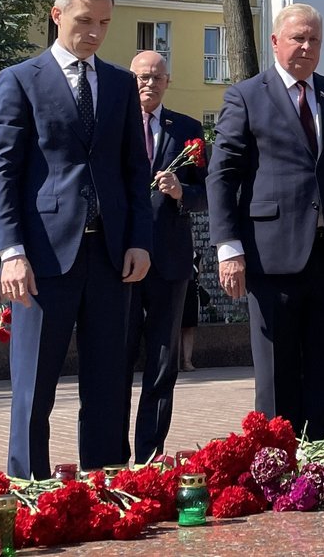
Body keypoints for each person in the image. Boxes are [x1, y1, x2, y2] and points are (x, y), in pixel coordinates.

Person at [0, 0, 154, 478]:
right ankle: (28, 487)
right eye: (85, 21)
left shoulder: (121, 84)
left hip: (109, 256)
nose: (96, 33)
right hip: (41, 258)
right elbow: (1, 171)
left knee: (107, 381)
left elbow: (134, 170)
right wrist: (10, 251)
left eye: (104, 23)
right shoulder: (20, 79)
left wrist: (140, 241)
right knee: (34, 384)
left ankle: (105, 485)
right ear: (57, 16)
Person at [208, 3, 324, 439]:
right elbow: (223, 174)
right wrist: (228, 247)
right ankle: (276, 463)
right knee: (276, 371)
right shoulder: (246, 96)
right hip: (271, 257)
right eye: (297, 38)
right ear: (275, 42)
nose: (306, 46)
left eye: (314, 39)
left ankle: (321, 462)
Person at [123, 49, 207, 461]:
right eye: (141, 76)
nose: (148, 83)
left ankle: (150, 454)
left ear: (167, 81)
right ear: (130, 78)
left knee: (162, 361)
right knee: (117, 359)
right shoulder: (114, 125)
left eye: (156, 77)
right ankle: (112, 454)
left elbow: (209, 194)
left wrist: (183, 192)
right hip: (120, 259)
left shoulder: (188, 130)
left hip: (170, 261)